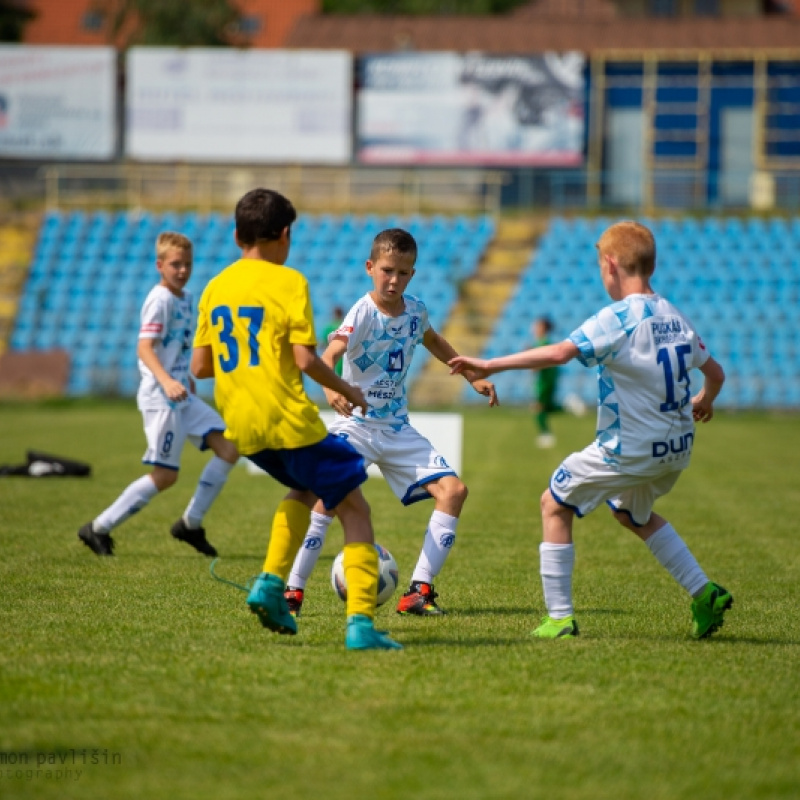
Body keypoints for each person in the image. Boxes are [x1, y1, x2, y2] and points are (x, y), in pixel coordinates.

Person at [450, 220, 732, 640]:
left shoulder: (617, 317)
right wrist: (705, 400)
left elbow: (561, 352)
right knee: (631, 514)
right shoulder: (674, 314)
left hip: (630, 449)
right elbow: (717, 373)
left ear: (611, 264)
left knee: (554, 503)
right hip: (676, 448)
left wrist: (490, 364)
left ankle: (560, 618)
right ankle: (704, 593)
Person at [191, 187, 401, 651]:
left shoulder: (215, 287)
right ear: (284, 234)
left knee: (304, 490)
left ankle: (270, 586)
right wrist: (346, 388)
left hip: (243, 426)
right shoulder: (289, 283)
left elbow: (200, 368)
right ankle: (361, 627)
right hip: (287, 418)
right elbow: (306, 359)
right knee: (355, 510)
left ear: (236, 234)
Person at [283, 228, 498, 618]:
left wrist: (472, 375)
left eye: (402, 272)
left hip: (397, 428)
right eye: (386, 270)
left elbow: (433, 341)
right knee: (327, 496)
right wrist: (332, 389)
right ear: (370, 268)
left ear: (412, 274)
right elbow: (330, 352)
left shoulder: (415, 310)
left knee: (454, 491)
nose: (393, 279)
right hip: (357, 426)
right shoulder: (363, 312)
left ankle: (419, 591)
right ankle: (292, 591)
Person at [78, 232, 238, 558]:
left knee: (230, 448)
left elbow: (175, 345)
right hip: (161, 396)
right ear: (160, 265)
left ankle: (190, 524)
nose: (182, 270)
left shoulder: (185, 297)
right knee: (165, 476)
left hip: (180, 393)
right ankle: (97, 528)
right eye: (175, 264)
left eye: (187, 264)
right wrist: (166, 380)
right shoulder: (160, 299)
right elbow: (144, 346)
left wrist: (184, 378)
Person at [530, 316, 561, 448]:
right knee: (546, 407)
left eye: (537, 326)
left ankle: (546, 434)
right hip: (546, 380)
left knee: (538, 407)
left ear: (543, 328)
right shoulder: (542, 343)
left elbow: (540, 365)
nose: (534, 328)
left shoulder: (544, 343)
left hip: (545, 381)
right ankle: (570, 406)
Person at [322, 306, 346, 376]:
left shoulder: (329, 327)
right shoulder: (345, 326)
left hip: (334, 357)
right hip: (345, 357)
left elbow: (324, 343)